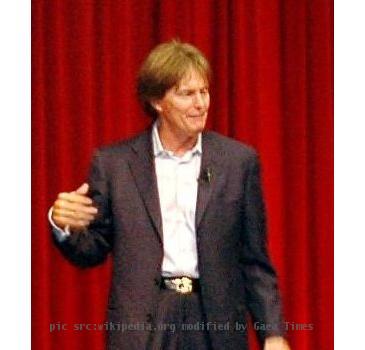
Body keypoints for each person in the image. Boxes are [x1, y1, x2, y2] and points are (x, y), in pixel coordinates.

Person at [50, 40, 290, 350]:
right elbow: (92, 250)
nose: (200, 104)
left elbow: (254, 259)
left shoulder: (237, 162)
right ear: (157, 101)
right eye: (187, 94)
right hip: (142, 325)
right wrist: (63, 225)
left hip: (214, 322)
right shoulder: (115, 164)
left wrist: (272, 333)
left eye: (204, 92)